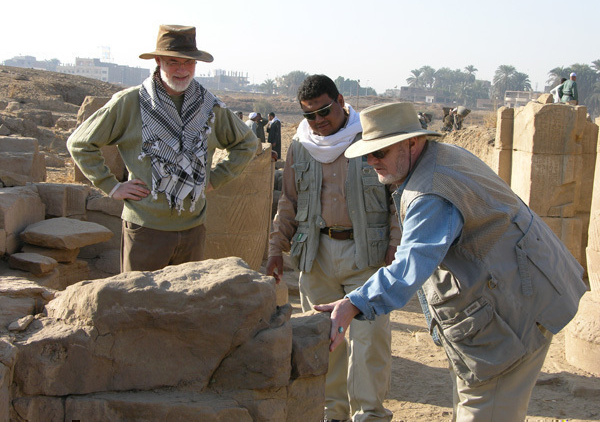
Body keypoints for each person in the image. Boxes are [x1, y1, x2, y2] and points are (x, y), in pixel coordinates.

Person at [315, 102, 587, 421]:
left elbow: (409, 266)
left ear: (411, 143)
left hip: (513, 315)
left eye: (380, 152)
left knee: (485, 407)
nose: (371, 161)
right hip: (517, 294)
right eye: (368, 153)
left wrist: (354, 304)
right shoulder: (439, 158)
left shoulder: (430, 192)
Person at [67, 25, 257, 273]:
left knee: (185, 303)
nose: (181, 69)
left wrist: (215, 179)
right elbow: (80, 143)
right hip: (146, 229)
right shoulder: (131, 102)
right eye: (173, 62)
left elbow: (247, 143)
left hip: (193, 228)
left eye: (188, 63)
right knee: (139, 304)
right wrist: (111, 186)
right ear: (158, 61)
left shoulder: (209, 106)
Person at [266, 74, 400, 421]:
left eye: (324, 111)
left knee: (370, 341)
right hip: (317, 255)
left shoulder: (370, 139)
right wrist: (275, 249)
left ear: (340, 101)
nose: (318, 120)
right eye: (309, 115)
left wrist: (395, 244)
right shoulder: (300, 146)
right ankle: (331, 414)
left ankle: (369, 414)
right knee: (326, 341)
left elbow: (396, 197)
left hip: (367, 255)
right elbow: (289, 202)